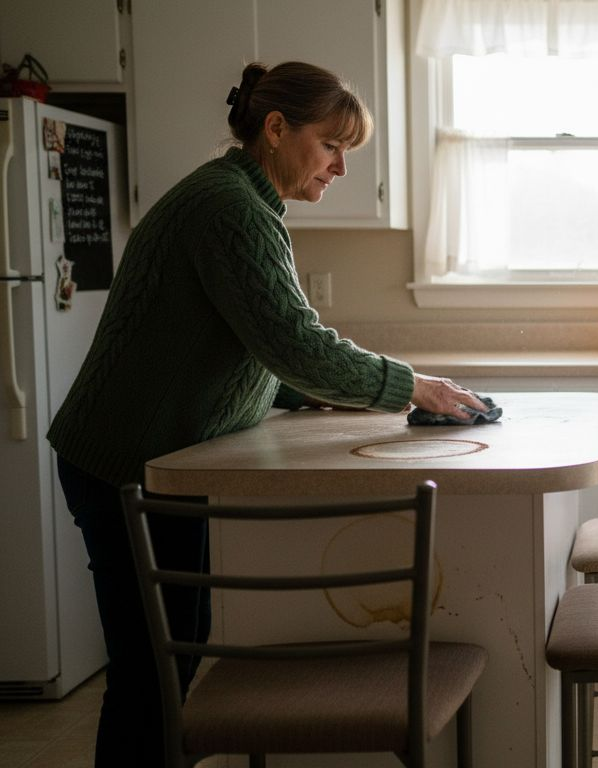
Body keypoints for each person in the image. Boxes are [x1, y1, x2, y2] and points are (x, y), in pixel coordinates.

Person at [45, 61, 488, 767]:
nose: (341, 168)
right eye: (331, 146)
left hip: (151, 459)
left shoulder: (241, 202)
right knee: (151, 677)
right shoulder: (228, 209)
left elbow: (239, 343)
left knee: (167, 668)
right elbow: (294, 343)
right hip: (125, 462)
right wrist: (412, 386)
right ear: (277, 130)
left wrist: (298, 390)